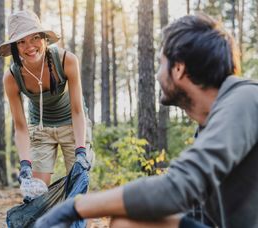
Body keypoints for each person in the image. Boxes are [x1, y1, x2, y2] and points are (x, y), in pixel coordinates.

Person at [34, 13, 258, 228]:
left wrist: (75, 206)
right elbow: (197, 213)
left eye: (161, 63)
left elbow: (178, 187)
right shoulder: (211, 123)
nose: (158, 74)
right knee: (128, 222)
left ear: (178, 69)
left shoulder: (245, 100)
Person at [0, 10, 94, 187]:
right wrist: (25, 163)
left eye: (35, 37)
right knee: (37, 191)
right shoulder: (11, 77)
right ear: (14, 47)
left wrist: (81, 151)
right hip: (41, 128)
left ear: (44, 38)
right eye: (21, 42)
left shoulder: (67, 60)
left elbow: (78, 110)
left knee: (77, 184)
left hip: (73, 125)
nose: (30, 46)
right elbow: (20, 126)